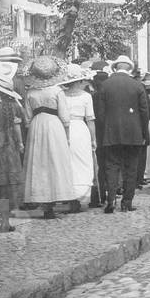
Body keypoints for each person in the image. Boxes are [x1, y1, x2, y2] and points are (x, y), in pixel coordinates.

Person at [22, 56, 76, 219]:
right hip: (54, 126)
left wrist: (31, 128)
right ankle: (53, 198)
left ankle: (43, 200)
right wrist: (66, 135)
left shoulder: (31, 92)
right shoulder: (57, 91)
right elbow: (65, 117)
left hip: (37, 126)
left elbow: (27, 117)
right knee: (55, 160)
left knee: (39, 162)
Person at [96, 55, 149, 213]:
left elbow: (100, 113)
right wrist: (143, 133)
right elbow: (144, 112)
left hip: (111, 133)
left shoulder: (105, 85)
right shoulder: (137, 85)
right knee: (131, 168)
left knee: (111, 166)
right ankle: (127, 202)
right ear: (129, 68)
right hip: (133, 133)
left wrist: (105, 130)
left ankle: (111, 199)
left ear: (115, 67)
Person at [0, 56, 24, 228]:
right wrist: (20, 144)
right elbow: (17, 127)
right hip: (7, 145)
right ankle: (5, 223)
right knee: (5, 184)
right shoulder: (11, 106)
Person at [59, 64, 96, 202]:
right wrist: (93, 139)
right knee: (82, 159)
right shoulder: (86, 97)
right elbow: (90, 119)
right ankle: (81, 193)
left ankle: (68, 192)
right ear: (80, 81)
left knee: (68, 160)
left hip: (65, 128)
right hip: (80, 128)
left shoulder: (61, 95)